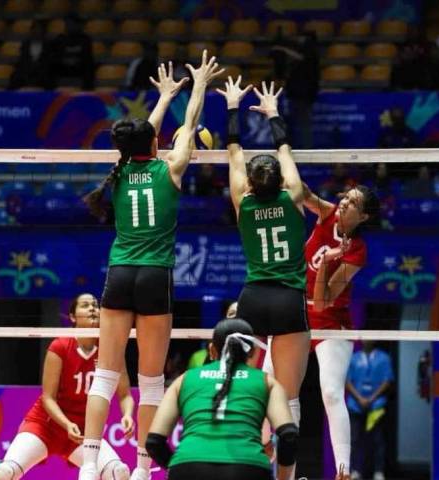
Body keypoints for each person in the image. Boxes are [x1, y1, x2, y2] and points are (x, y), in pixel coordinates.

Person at [79, 52, 223, 480]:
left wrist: (162, 98)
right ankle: (142, 469)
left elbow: (143, 139)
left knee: (105, 375)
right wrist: (197, 86)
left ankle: (89, 465)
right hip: (155, 275)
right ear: (156, 145)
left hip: (121, 272)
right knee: (151, 380)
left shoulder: (120, 170)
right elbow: (189, 125)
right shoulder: (170, 168)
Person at [218, 77, 309, 467]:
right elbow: (285, 152)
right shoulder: (296, 197)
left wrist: (232, 107)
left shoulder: (243, 202)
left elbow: (234, 152)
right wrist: (273, 114)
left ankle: (243, 463)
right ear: (281, 182)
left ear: (251, 185)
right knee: (288, 399)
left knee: (243, 387)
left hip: (253, 299)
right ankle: (284, 473)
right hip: (288, 299)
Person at [0, 293, 134, 480]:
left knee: (119, 472)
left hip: (85, 431)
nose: (92, 309)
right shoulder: (60, 346)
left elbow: (125, 394)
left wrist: (127, 414)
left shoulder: (110, 350)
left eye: (95, 305)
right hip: (45, 426)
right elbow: (48, 398)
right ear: (73, 317)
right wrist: (67, 424)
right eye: (85, 305)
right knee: (5, 472)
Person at [145, 318, 298, 480]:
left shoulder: (184, 380)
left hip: (188, 467)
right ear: (252, 351)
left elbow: (154, 442)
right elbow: (288, 435)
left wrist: (178, 465)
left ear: (211, 350)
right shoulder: (267, 382)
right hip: (248, 468)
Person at [304, 183, 379, 478]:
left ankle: (343, 470)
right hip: (297, 311)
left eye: (353, 203)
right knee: (273, 384)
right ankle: (270, 454)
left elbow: (324, 301)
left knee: (332, 393)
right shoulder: (328, 212)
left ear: (363, 217)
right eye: (346, 197)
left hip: (331, 320)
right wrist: (284, 168)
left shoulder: (357, 251)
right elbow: (305, 195)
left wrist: (330, 259)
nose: (345, 203)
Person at [346, 341, 394, 480]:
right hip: (356, 405)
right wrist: (360, 398)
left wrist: (372, 398)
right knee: (354, 439)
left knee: (377, 439)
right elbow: (347, 381)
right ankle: (355, 470)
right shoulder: (353, 358)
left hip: (376, 406)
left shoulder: (384, 358)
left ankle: (378, 471)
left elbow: (387, 381)